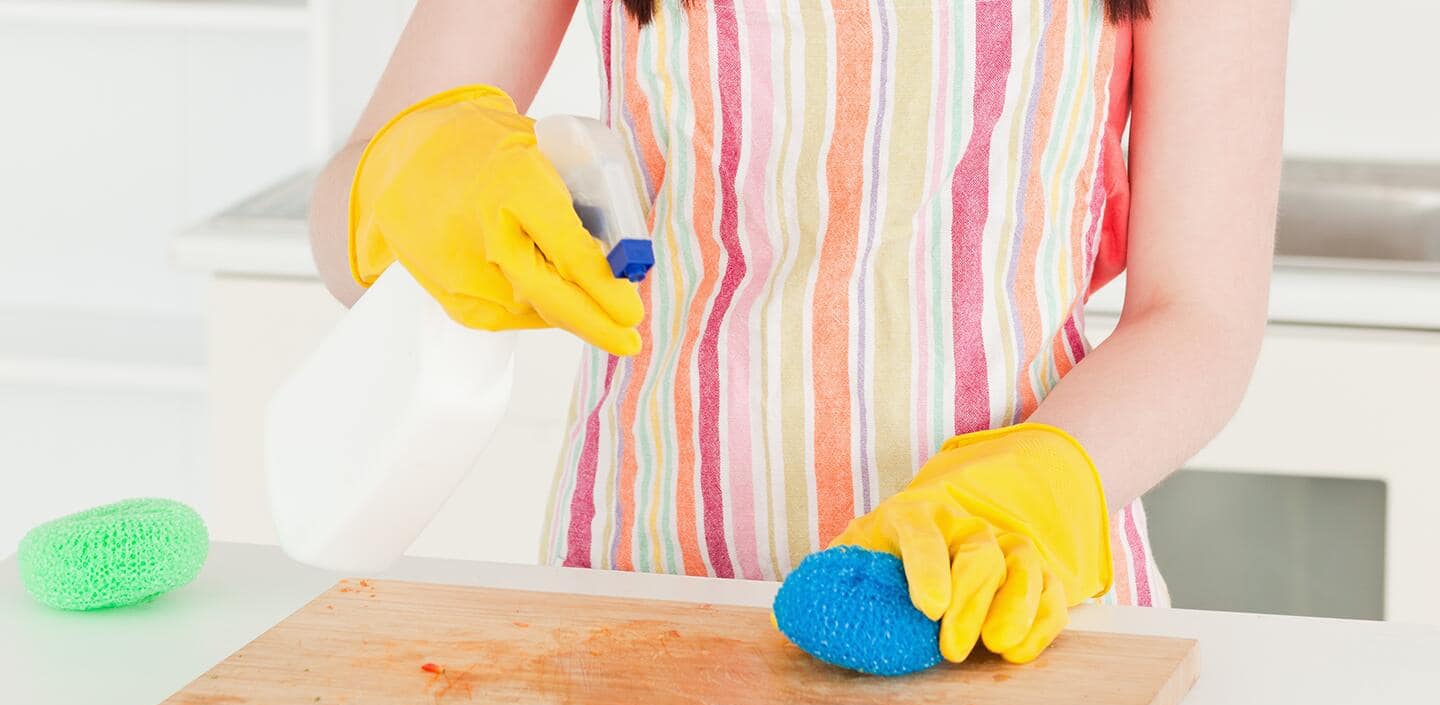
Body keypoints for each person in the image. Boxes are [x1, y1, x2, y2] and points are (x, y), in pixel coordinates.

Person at [310, 0, 1290, 664]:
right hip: (645, 605)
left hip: (1003, 609)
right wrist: (405, 181)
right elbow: (345, 198)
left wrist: (1034, 489)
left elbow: (1199, 313)